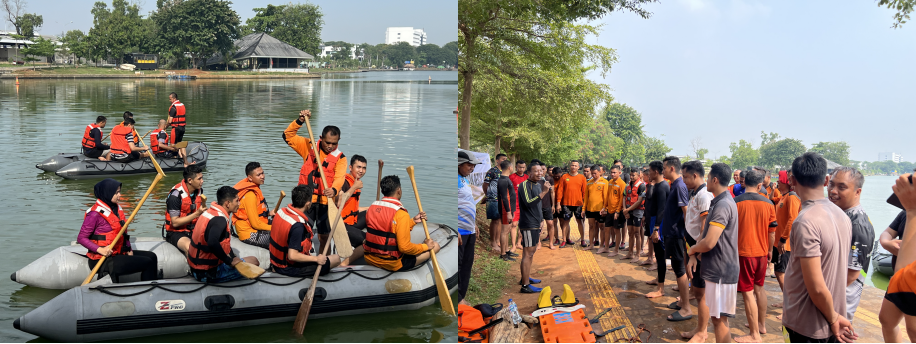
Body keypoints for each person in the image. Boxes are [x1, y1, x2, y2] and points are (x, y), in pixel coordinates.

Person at [782, 152, 856, 343]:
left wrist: (832, 318)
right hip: (833, 315)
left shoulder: (805, 221)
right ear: (826, 180)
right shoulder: (842, 216)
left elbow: (816, 286)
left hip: (808, 322)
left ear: (792, 180)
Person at [685, 163, 739, 343]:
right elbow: (705, 235)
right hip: (718, 269)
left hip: (721, 271)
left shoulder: (723, 204)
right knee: (718, 319)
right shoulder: (720, 202)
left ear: (715, 180)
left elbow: (709, 242)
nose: (706, 180)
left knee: (719, 321)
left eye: (708, 177)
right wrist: (694, 254)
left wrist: (692, 249)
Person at [284, 110, 348, 252]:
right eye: (327, 142)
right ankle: (301, 259)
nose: (330, 146)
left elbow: (339, 178)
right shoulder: (308, 146)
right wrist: (299, 121)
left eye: (334, 143)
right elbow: (287, 136)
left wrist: (334, 190)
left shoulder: (341, 158)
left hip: (325, 202)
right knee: (302, 232)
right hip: (306, 200)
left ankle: (325, 261)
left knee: (324, 237)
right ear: (321, 138)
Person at [78, 178, 159, 283]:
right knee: (147, 262)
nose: (120, 195)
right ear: (107, 193)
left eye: (119, 191)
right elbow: (81, 238)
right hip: (102, 259)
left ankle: (153, 284)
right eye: (116, 193)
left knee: (152, 256)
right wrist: (100, 250)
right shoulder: (94, 214)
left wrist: (128, 249)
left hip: (118, 252)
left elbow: (123, 232)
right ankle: (149, 291)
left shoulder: (116, 209)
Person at [271, 184, 359, 278]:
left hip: (275, 262)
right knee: (336, 259)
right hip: (287, 267)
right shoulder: (298, 225)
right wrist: (316, 259)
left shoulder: (281, 211)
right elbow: (292, 256)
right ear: (308, 204)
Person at [732, 169, 776, 342]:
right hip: (762, 253)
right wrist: (770, 250)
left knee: (747, 292)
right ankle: (761, 325)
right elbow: (771, 232)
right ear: (759, 185)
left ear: (744, 182)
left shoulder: (735, 202)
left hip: (744, 253)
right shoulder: (768, 203)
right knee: (759, 288)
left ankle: (754, 334)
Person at [364, 175, 440, 272]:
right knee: (436, 246)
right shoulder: (401, 214)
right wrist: (426, 246)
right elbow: (405, 248)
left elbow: (387, 229)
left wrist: (413, 222)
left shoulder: (372, 208)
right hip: (391, 263)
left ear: (383, 191)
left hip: (370, 259)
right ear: (399, 190)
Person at [827, 167, 874, 324]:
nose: (833, 191)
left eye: (842, 187)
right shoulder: (839, 214)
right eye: (831, 185)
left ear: (857, 192)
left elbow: (851, 275)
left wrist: (820, 296)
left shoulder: (858, 225)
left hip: (839, 306)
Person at [187, 186, 261, 283]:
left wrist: (233, 257)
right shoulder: (220, 220)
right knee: (254, 261)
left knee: (247, 260)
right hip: (208, 273)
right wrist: (229, 261)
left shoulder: (210, 212)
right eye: (237, 201)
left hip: (196, 269)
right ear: (227, 204)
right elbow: (212, 242)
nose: (239, 204)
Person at [678, 160, 714, 340]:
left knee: (702, 293)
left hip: (698, 251)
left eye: (685, 176)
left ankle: (702, 332)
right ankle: (700, 328)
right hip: (691, 247)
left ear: (694, 175)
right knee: (699, 292)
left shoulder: (704, 196)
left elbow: (704, 228)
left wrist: (695, 253)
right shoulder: (695, 193)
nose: (683, 180)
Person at [880, 174, 916, 342]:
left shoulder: (910, 211)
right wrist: (887, 243)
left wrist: (912, 211)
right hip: (900, 276)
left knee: (913, 328)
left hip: (908, 278)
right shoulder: (905, 213)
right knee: (886, 319)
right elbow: (887, 232)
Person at [656, 157, 691, 323]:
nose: (662, 171)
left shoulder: (680, 187)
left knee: (679, 269)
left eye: (663, 168)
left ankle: (686, 308)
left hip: (677, 235)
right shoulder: (675, 185)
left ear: (671, 168)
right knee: (678, 269)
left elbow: (686, 212)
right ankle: (683, 302)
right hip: (672, 234)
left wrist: (685, 234)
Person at [518, 163, 551, 293]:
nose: (539, 173)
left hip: (536, 223)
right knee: (527, 253)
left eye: (541, 171)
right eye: (536, 171)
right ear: (529, 173)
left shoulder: (538, 184)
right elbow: (528, 203)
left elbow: (538, 205)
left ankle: (525, 278)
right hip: (528, 224)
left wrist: (541, 219)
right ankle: (525, 285)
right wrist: (544, 192)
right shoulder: (524, 185)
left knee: (531, 253)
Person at [772, 170, 800, 319]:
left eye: (779, 177)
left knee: (782, 273)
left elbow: (793, 219)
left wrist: (783, 239)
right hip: (778, 242)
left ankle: (790, 307)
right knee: (779, 272)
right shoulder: (783, 197)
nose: (777, 179)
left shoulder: (792, 198)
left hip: (785, 244)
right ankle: (786, 302)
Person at [163, 165, 205, 255]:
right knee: (190, 247)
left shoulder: (199, 191)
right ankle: (194, 268)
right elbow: (175, 222)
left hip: (194, 230)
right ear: (190, 180)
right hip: (176, 232)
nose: (202, 181)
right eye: (199, 179)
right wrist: (197, 214)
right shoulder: (175, 196)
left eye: (202, 178)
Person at [232, 162, 275, 248]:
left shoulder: (254, 188)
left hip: (254, 226)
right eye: (258, 175)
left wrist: (268, 213)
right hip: (249, 234)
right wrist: (275, 228)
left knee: (282, 222)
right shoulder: (250, 195)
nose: (262, 176)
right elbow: (256, 224)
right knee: (282, 234)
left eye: (262, 173)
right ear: (250, 178)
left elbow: (256, 213)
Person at [459, 150, 483, 304]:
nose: (472, 168)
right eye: (469, 165)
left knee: (467, 263)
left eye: (474, 166)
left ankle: (462, 296)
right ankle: (457, 297)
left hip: (469, 230)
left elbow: (467, 203)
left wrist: (474, 224)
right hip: (459, 231)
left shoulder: (464, 180)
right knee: (458, 264)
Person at [645, 160, 670, 293]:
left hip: (658, 223)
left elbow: (662, 209)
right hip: (652, 220)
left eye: (649, 171)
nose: (648, 173)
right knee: (657, 252)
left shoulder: (663, 186)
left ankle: (661, 288)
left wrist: (656, 228)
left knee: (660, 255)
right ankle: (658, 279)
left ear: (655, 171)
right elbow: (649, 199)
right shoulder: (656, 185)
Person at [339, 154, 370, 247]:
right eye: (358, 167)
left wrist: (372, 207)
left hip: (351, 221)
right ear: (350, 167)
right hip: (340, 225)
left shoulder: (354, 181)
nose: (361, 170)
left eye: (364, 168)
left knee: (371, 212)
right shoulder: (343, 181)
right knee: (368, 240)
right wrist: (354, 187)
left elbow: (353, 209)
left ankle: (379, 237)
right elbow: (339, 202)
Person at [556, 160, 588, 248]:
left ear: (578, 167)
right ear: (570, 166)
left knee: (580, 221)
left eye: (575, 165)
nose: (573, 167)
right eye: (572, 165)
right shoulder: (564, 177)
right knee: (565, 222)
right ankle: (564, 240)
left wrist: (585, 205)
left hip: (578, 204)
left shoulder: (582, 178)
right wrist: (558, 203)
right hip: (566, 204)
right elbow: (560, 191)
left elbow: (585, 192)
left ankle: (582, 240)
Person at [483, 154, 508, 252]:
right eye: (503, 159)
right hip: (493, 199)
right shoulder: (492, 171)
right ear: (497, 160)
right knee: (495, 220)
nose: (505, 161)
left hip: (503, 199)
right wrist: (488, 195)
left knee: (501, 220)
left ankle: (498, 241)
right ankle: (493, 242)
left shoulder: (506, 171)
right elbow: (485, 184)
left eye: (506, 159)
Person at [623, 167, 646, 263]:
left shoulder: (642, 186)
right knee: (630, 233)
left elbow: (639, 201)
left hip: (638, 212)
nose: (631, 177)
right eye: (631, 175)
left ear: (639, 175)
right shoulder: (627, 186)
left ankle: (638, 254)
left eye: (634, 175)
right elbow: (624, 198)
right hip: (628, 211)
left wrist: (627, 209)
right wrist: (625, 210)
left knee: (637, 233)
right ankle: (630, 253)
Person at [602, 165, 627, 256]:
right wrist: (604, 207)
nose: (612, 174)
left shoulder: (622, 184)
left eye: (614, 172)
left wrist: (617, 211)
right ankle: (606, 248)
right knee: (607, 229)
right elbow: (608, 196)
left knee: (617, 230)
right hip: (609, 210)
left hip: (618, 211)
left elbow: (621, 199)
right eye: (611, 172)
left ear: (619, 173)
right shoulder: (610, 182)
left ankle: (616, 250)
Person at [583, 165, 609, 251]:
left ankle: (602, 246)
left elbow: (606, 197)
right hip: (590, 209)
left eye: (595, 173)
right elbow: (586, 197)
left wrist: (605, 208)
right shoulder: (589, 183)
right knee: (591, 226)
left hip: (600, 209)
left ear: (599, 172)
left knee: (602, 227)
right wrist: (584, 209)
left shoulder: (604, 182)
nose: (593, 175)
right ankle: (591, 244)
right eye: (592, 173)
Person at [497, 160, 518, 261]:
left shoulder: (506, 179)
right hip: (506, 209)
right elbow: (504, 198)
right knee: (504, 231)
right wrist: (509, 212)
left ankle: (506, 250)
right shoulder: (503, 180)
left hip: (510, 208)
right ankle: (503, 254)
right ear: (510, 167)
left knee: (508, 229)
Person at [535, 160, 557, 250]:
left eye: (543, 169)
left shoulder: (549, 179)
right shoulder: (535, 180)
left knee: (550, 223)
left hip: (547, 205)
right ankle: (538, 242)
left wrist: (553, 205)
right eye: (540, 169)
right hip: (538, 206)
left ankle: (551, 243)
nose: (541, 171)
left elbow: (552, 193)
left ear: (546, 170)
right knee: (539, 225)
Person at [639, 167, 658, 268]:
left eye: (646, 175)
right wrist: (644, 215)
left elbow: (650, 197)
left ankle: (653, 258)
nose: (645, 177)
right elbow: (647, 202)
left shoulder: (653, 186)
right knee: (649, 236)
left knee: (653, 237)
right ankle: (650, 257)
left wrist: (652, 185)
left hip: (654, 216)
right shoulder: (647, 186)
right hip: (648, 214)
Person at [166, 92, 192, 166]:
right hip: (182, 128)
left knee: (172, 145)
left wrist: (166, 126)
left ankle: (174, 158)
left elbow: (170, 121)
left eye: (170, 99)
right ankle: (182, 157)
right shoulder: (182, 105)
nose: (170, 100)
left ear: (174, 99)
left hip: (176, 128)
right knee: (179, 143)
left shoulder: (173, 107)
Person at [509, 160, 529, 251]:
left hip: (524, 205)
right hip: (514, 205)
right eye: (519, 167)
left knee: (522, 225)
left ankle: (519, 242)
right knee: (514, 224)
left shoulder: (527, 177)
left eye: (523, 167)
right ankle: (513, 245)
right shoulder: (511, 177)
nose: (521, 169)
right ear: (516, 167)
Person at [549, 167, 564, 249]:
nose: (557, 177)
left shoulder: (563, 179)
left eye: (558, 176)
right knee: (554, 222)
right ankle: (557, 238)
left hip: (562, 204)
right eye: (555, 176)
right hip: (552, 204)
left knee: (563, 222)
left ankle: (565, 238)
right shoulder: (550, 180)